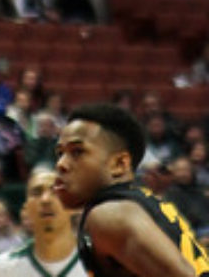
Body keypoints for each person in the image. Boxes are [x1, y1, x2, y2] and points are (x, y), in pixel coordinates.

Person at [54, 103, 209, 277]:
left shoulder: (110, 214)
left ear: (119, 164)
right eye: (60, 153)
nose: (61, 164)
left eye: (77, 152)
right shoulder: (139, 202)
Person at [0, 166, 86, 277]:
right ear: (26, 209)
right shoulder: (3, 268)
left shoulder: (101, 260)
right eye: (37, 192)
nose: (45, 199)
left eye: (55, 191)